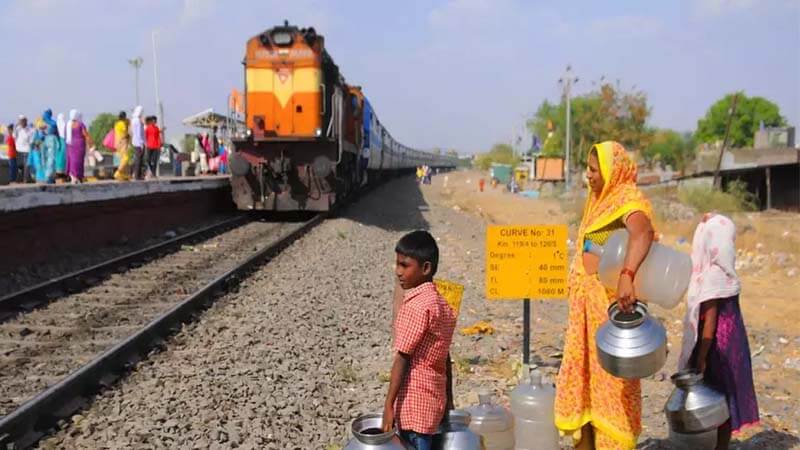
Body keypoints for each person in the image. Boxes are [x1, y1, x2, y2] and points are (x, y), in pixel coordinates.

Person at [554, 141, 655, 450]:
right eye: (588, 168)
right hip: (584, 320)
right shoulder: (599, 201)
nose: (588, 175)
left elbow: (644, 232)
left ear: (613, 172)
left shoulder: (625, 199)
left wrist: (627, 276)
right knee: (583, 390)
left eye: (594, 170)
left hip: (606, 318)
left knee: (610, 387)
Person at [678, 213, 759, 449]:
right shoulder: (726, 274)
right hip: (733, 346)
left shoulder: (711, 277)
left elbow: (710, 325)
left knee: (713, 402)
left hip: (715, 350)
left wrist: (700, 358)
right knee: (725, 401)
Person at [382, 230, 456, 450]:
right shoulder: (443, 305)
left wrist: (388, 405)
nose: (398, 272)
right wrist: (449, 399)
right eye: (397, 264)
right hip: (433, 402)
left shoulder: (417, 305)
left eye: (405, 266)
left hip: (414, 404)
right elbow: (445, 357)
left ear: (425, 269)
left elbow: (403, 356)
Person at [66, 109, 91, 184]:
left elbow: (65, 135)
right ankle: (78, 176)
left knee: (72, 160)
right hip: (79, 144)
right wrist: (90, 143)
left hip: (70, 145)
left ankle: (73, 177)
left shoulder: (68, 125)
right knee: (79, 161)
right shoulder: (80, 124)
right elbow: (85, 134)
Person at [13, 116, 33, 182]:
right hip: (18, 150)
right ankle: (21, 179)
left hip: (26, 150)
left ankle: (25, 179)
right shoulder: (17, 128)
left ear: (26, 121)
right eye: (20, 121)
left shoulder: (30, 129)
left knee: (26, 166)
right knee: (19, 166)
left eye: (23, 121)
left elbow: (31, 140)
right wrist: (16, 127)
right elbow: (14, 136)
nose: (21, 122)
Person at [113, 111, 131, 181]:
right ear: (124, 117)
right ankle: (118, 173)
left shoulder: (117, 123)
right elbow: (126, 133)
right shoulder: (122, 124)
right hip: (122, 142)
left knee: (122, 159)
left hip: (117, 143)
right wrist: (128, 125)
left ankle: (124, 175)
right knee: (126, 158)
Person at [41, 109, 58, 183]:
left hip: (47, 141)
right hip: (50, 140)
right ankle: (49, 177)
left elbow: (41, 135)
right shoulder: (53, 123)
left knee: (47, 159)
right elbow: (57, 133)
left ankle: (48, 177)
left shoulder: (43, 124)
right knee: (50, 159)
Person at [130, 106, 145, 180]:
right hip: (139, 142)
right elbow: (139, 133)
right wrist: (141, 144)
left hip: (135, 142)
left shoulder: (133, 120)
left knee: (137, 159)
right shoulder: (138, 121)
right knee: (139, 159)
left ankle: (137, 175)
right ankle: (137, 175)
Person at [30, 118, 47, 183]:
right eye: (41, 128)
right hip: (37, 152)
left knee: (41, 165)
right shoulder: (36, 133)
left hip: (41, 152)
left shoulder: (44, 133)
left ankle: (41, 179)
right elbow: (33, 143)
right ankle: (39, 179)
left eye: (43, 128)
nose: (42, 129)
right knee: (38, 165)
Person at [55, 112, 67, 181]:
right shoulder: (65, 124)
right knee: (63, 158)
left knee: (58, 157)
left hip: (58, 141)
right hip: (64, 141)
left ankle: (58, 173)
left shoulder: (56, 124)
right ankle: (63, 173)